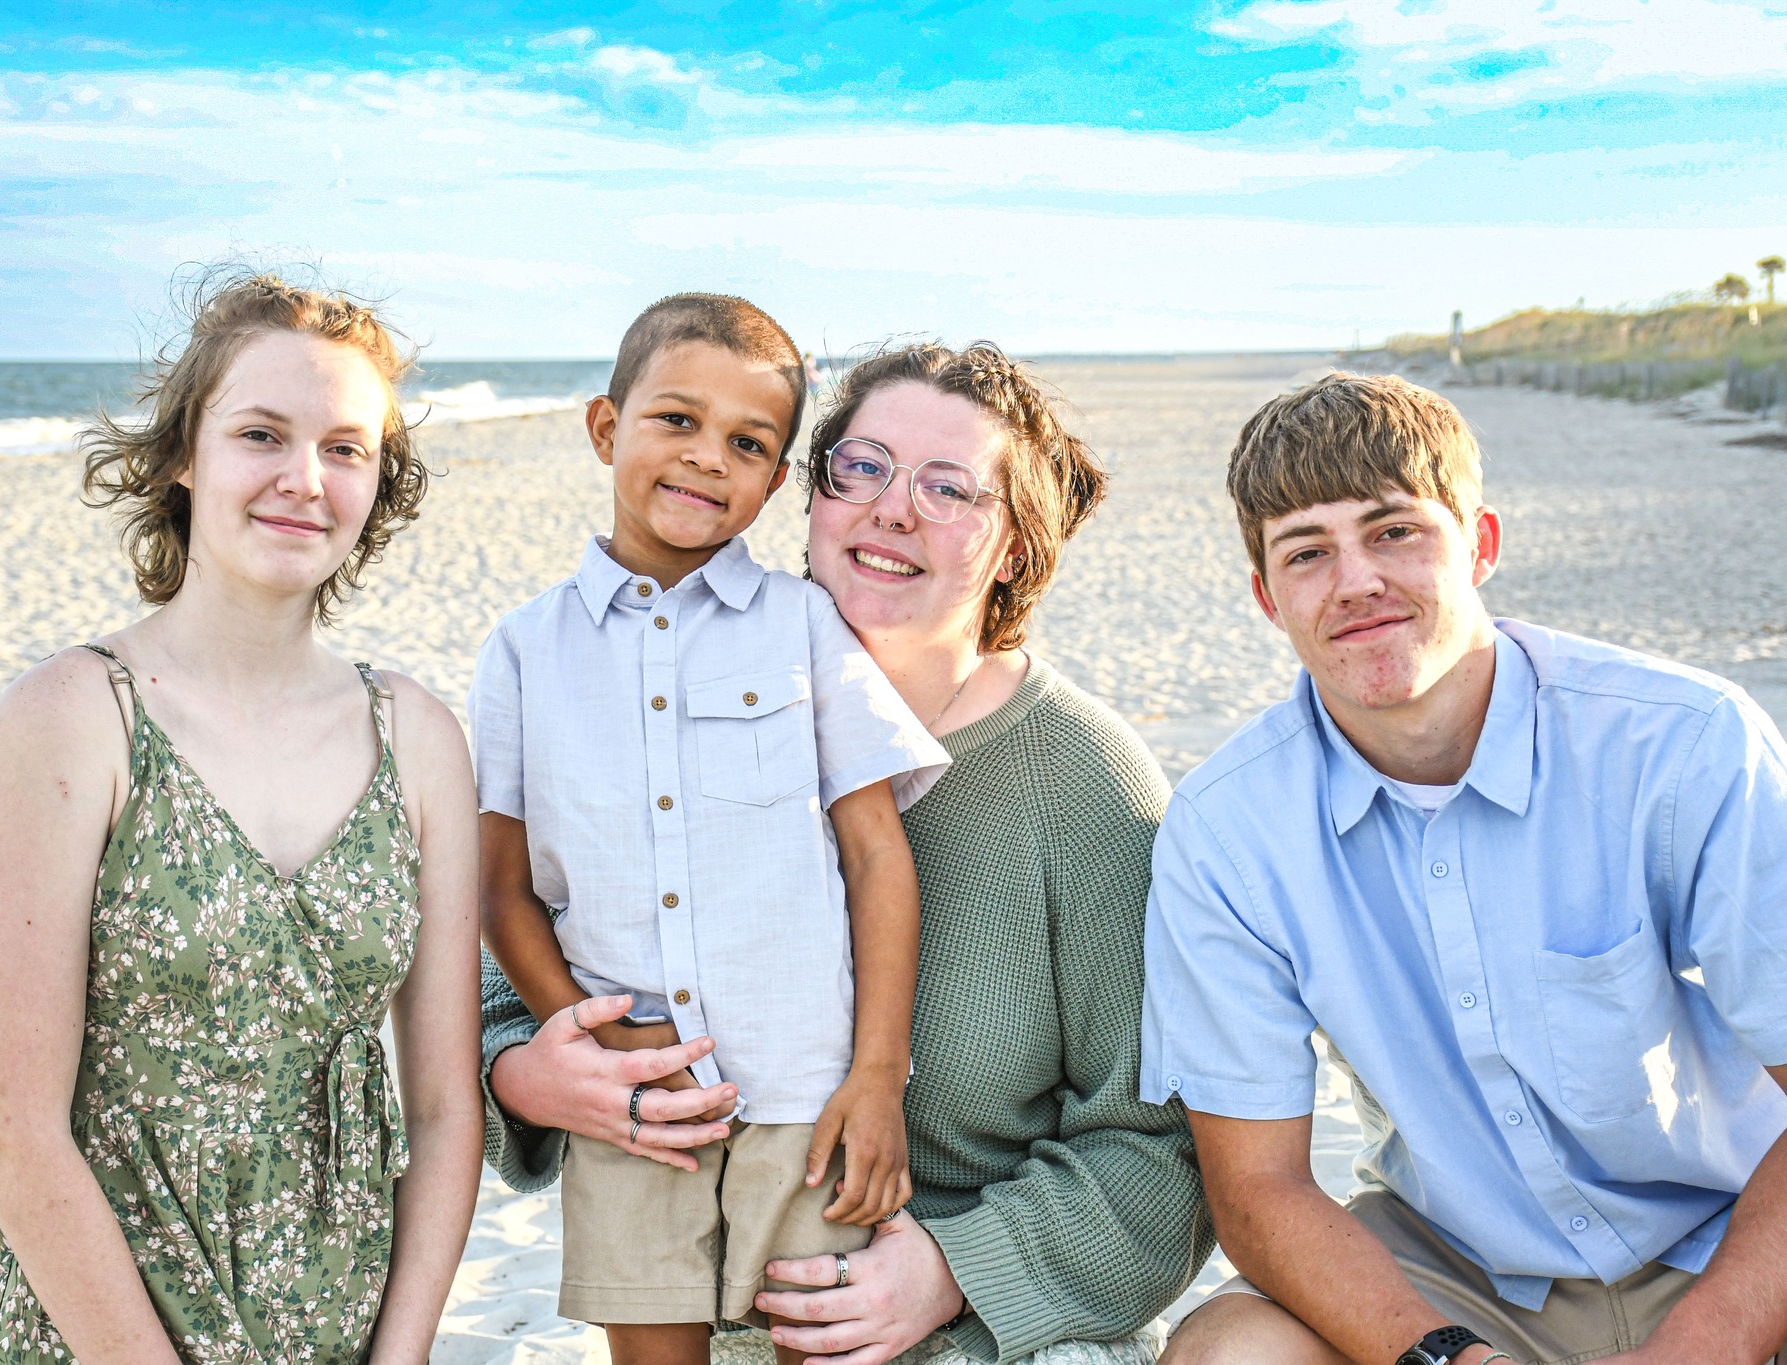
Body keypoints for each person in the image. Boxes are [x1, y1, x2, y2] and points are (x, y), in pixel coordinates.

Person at [478, 341, 1214, 1365]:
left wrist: (953, 1269)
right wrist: (532, 1077)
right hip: (719, 1310)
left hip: (990, 1329)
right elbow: (505, 978)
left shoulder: (1085, 781)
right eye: (861, 467)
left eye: (948, 488)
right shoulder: (662, 679)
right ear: (810, 495)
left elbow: (1160, 1146)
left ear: (1013, 548)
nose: (892, 510)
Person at [0, 273, 483, 1364]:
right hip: (69, 1325)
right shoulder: (73, 717)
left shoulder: (419, 738)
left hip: (326, 1324)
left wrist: (398, 1355)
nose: (305, 479)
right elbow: (12, 1133)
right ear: (183, 455)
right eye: (261, 434)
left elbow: (443, 1113)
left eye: (346, 448)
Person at [1148, 373, 1787, 1365]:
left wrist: (1701, 1349)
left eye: (1393, 531)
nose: (1355, 581)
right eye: (1307, 552)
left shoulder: (1683, 745)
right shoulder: (1225, 830)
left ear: (1480, 543)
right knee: (1228, 1353)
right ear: (1268, 598)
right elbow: (1260, 1188)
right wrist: (1447, 1359)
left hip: (1732, 1238)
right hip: (1455, 1272)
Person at [470, 294, 948, 1365]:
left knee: (818, 1343)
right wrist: (591, 1041)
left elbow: (877, 855)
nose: (705, 459)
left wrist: (877, 1075)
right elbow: (500, 887)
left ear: (775, 483)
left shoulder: (805, 626)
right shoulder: (523, 650)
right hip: (639, 1110)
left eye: (746, 443)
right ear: (605, 428)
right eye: (676, 421)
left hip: (808, 1095)